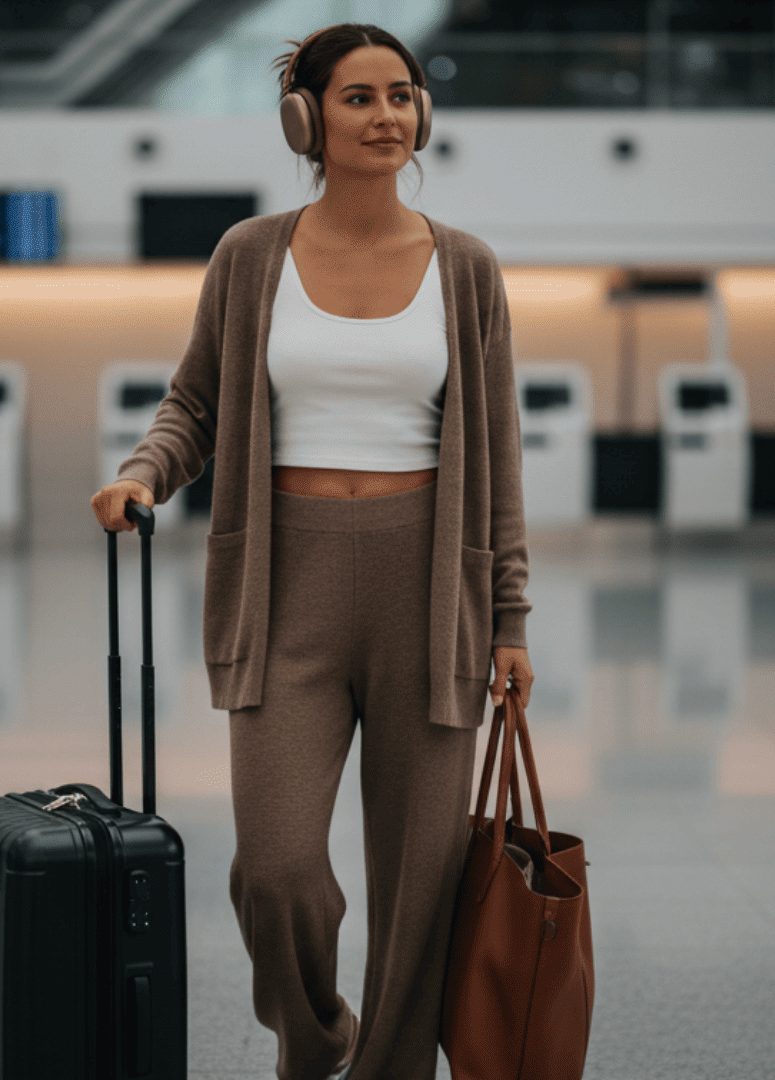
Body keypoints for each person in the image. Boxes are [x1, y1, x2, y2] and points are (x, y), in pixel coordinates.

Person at [90, 22, 531, 1080]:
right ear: (308, 118)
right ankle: (314, 1033)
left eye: (404, 95)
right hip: (284, 589)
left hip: (430, 592)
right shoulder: (251, 256)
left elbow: (500, 458)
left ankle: (384, 1069)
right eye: (361, 98)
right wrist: (145, 472)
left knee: (420, 886)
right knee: (279, 866)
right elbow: (194, 402)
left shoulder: (465, 268)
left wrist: (509, 621)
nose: (388, 117)